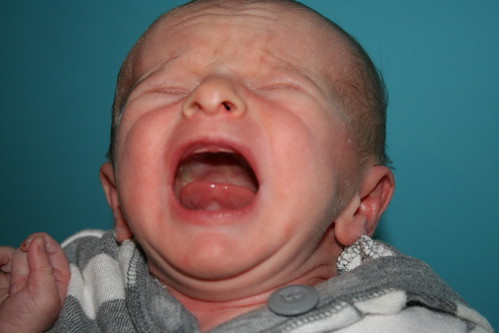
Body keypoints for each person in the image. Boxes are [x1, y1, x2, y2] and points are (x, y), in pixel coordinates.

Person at [0, 0, 493, 332]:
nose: (211, 94)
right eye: (167, 87)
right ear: (118, 199)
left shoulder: (408, 319)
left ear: (360, 204)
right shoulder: (60, 287)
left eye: (277, 86)